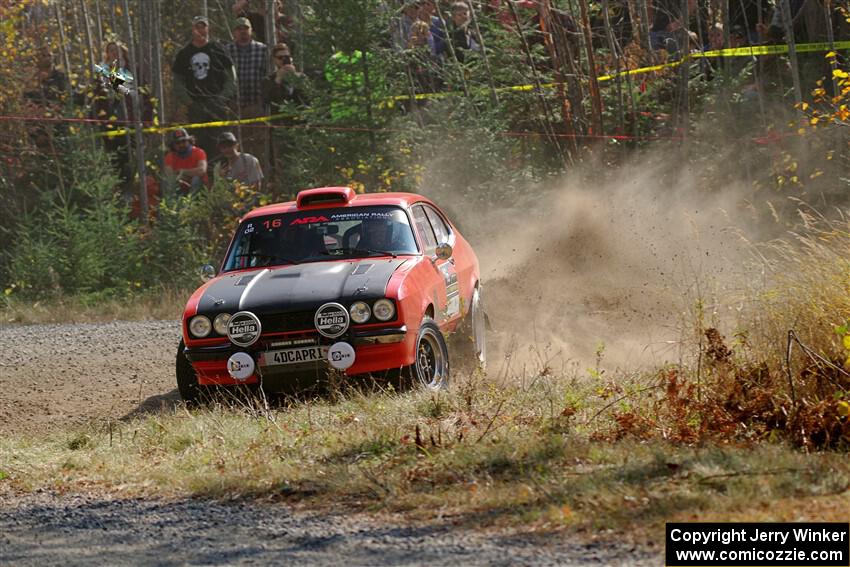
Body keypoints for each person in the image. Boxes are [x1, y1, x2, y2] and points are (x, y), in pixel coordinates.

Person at [172, 15, 237, 158]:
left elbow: (231, 76)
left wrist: (223, 98)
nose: (200, 30)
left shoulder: (218, 49)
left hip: (217, 105)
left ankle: (221, 175)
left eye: (203, 26)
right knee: (198, 144)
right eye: (197, 27)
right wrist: (188, 101)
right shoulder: (184, 54)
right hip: (195, 106)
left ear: (208, 29)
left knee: (221, 143)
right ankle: (202, 176)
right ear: (192, 29)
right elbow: (177, 81)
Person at [225, 17, 268, 163]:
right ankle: (240, 180)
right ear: (234, 32)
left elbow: (267, 75)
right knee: (237, 142)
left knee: (258, 142)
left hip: (256, 104)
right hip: (234, 106)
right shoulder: (227, 50)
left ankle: (260, 177)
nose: (243, 32)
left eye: (246, 28)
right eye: (239, 29)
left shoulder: (262, 49)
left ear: (251, 31)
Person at [262, 43, 309, 109]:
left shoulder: (301, 77)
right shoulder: (268, 80)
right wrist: (278, 79)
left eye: (287, 57)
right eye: (280, 58)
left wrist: (295, 77)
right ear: (274, 60)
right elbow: (269, 100)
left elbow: (308, 97)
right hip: (280, 117)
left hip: (301, 116)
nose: (283, 60)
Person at [164, 128, 208, 193]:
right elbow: (169, 175)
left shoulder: (199, 152)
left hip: (199, 189)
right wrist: (188, 175)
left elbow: (202, 171)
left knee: (196, 179)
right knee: (169, 183)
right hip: (180, 187)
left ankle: (194, 203)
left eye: (184, 141)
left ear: (189, 141)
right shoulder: (169, 156)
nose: (181, 145)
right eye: (177, 143)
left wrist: (181, 172)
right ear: (173, 145)